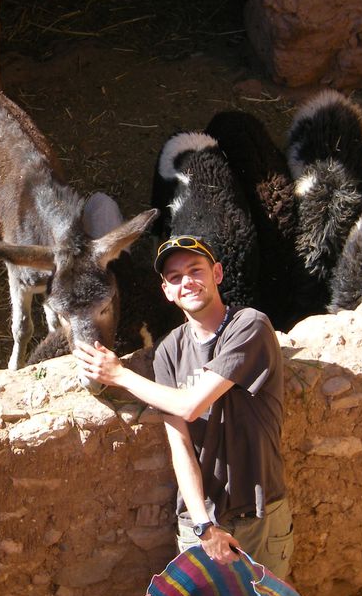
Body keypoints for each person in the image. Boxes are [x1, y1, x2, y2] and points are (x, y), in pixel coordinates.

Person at [73, 234, 294, 578]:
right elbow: (181, 446)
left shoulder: (249, 326)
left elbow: (191, 405)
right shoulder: (168, 352)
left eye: (195, 270)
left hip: (259, 512)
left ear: (217, 274)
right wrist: (205, 528)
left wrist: (120, 375)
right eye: (175, 277)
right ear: (166, 291)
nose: (187, 282)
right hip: (200, 522)